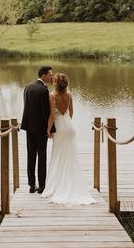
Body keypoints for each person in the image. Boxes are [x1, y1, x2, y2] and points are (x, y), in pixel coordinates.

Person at [42, 73, 97, 205]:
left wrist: (48, 130)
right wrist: (67, 122)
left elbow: (52, 116)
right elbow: (71, 112)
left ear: (56, 83)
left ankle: (58, 185)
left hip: (59, 128)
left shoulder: (52, 95)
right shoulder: (69, 94)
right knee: (71, 157)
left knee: (58, 155)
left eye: (54, 80)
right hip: (69, 127)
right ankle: (71, 184)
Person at [21, 66, 54, 194]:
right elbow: (46, 113)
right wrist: (50, 130)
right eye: (50, 75)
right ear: (44, 75)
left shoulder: (28, 86)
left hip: (29, 127)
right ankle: (41, 186)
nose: (52, 77)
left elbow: (27, 107)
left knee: (31, 155)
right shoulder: (44, 90)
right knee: (42, 156)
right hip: (40, 129)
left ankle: (31, 185)